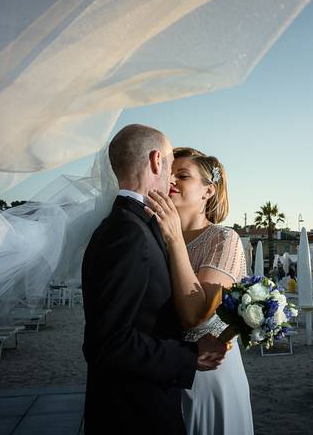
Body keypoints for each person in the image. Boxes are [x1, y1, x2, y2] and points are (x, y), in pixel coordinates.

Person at [81, 124, 229, 434]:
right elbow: (108, 343)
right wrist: (190, 356)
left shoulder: (133, 225)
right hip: (135, 413)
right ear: (155, 161)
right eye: (170, 162)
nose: (172, 176)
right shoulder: (128, 233)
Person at [145, 147, 253, 435]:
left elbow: (196, 315)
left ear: (208, 191)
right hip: (164, 369)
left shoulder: (224, 239)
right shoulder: (151, 235)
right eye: (169, 175)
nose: (171, 182)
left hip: (209, 375)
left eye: (183, 175)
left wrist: (174, 239)